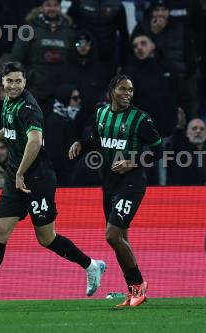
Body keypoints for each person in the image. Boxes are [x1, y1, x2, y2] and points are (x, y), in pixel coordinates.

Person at [0, 62, 106, 310]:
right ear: (3, 82)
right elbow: (11, 128)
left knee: (46, 239)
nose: (13, 85)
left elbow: (35, 141)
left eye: (18, 81)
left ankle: (92, 266)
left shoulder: (29, 107)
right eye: (9, 81)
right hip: (18, 175)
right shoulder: (8, 102)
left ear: (24, 83)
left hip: (37, 179)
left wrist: (21, 173)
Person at [69, 74, 163, 307]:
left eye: (130, 90)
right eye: (123, 89)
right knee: (120, 239)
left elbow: (158, 148)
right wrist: (82, 143)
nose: (128, 94)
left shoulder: (140, 118)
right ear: (112, 91)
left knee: (112, 235)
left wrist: (133, 161)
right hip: (109, 185)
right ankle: (132, 291)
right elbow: (97, 139)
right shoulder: (101, 114)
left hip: (132, 184)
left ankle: (139, 285)